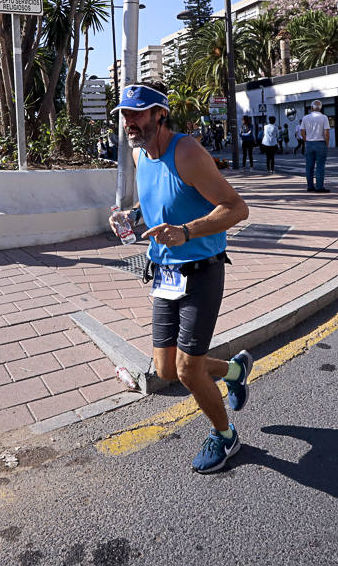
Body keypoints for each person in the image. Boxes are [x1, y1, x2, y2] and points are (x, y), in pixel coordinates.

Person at [108, 83, 251, 473]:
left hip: (202, 271)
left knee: (189, 369)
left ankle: (225, 436)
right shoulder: (140, 156)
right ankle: (235, 371)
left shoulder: (186, 152)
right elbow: (157, 204)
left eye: (138, 113)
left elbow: (237, 209)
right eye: (125, 114)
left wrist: (186, 232)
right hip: (164, 275)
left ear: (160, 114)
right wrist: (132, 217)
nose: (129, 121)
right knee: (167, 371)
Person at [299, 100, 331, 192]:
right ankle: (319, 187)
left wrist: (306, 140)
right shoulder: (324, 117)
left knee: (309, 166)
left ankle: (310, 186)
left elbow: (302, 131)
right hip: (320, 143)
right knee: (320, 166)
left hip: (309, 143)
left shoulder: (305, 118)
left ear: (312, 107)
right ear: (320, 108)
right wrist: (327, 143)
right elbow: (327, 132)